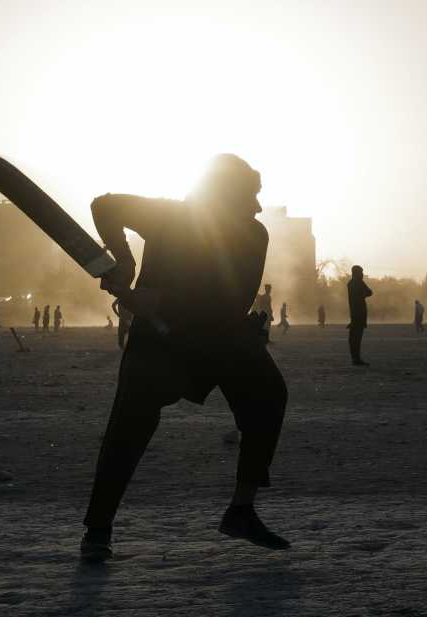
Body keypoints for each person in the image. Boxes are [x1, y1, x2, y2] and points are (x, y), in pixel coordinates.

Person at [80, 154, 290, 561]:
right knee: (128, 426)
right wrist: (123, 259)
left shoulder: (252, 235)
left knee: (268, 396)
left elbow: (230, 302)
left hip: (218, 335)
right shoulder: (170, 216)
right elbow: (104, 205)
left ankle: (242, 509)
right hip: (159, 343)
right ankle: (97, 530)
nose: (257, 206)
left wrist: (161, 298)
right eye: (249, 194)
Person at [348, 265, 373, 364]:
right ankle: (356, 359)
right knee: (356, 338)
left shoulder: (351, 283)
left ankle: (355, 358)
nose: (362, 274)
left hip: (356, 313)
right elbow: (369, 292)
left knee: (353, 338)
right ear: (356, 273)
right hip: (359, 313)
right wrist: (363, 295)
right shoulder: (358, 283)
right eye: (361, 272)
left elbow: (369, 292)